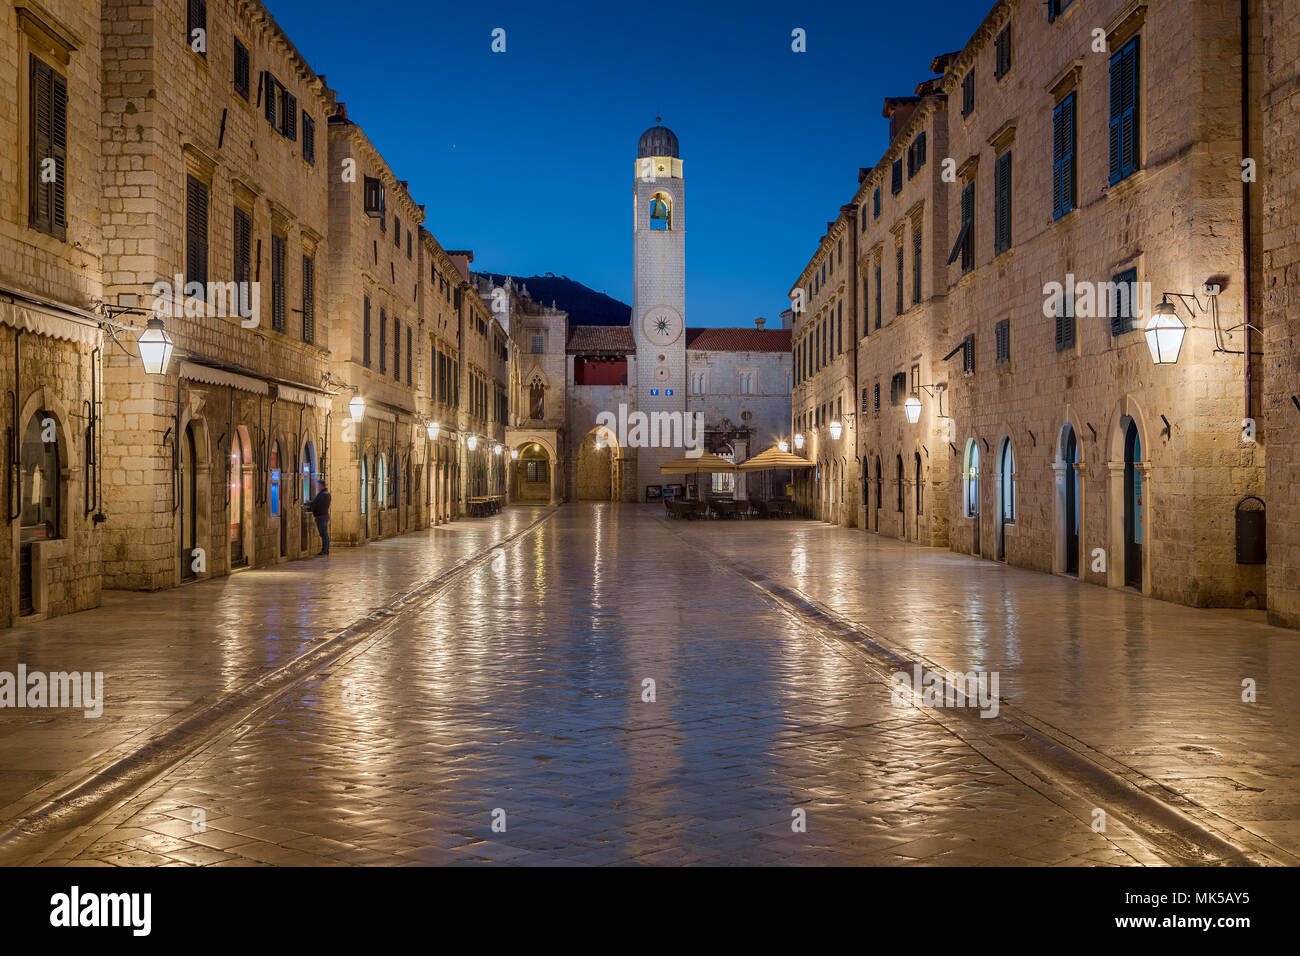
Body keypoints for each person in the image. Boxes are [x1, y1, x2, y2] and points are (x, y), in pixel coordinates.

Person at [307, 479, 331, 555]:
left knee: (323, 534)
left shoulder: (322, 494)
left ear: (321, 485)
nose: (317, 487)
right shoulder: (327, 494)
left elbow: (316, 503)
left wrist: (308, 502)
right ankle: (326, 550)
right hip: (324, 515)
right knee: (324, 534)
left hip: (321, 516)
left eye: (318, 485)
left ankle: (324, 550)